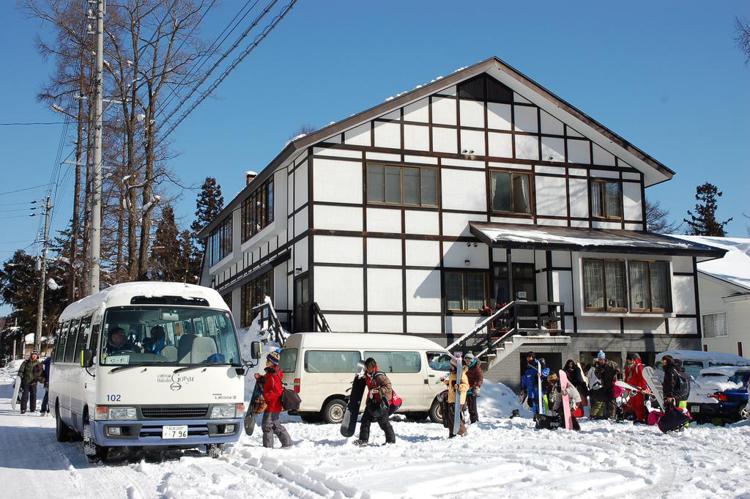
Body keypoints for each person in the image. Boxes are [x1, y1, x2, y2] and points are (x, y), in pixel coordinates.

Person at [355, 357, 396, 445]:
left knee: (384, 423)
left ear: (373, 367)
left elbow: (388, 387)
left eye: (368, 367)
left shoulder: (379, 375)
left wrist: (379, 390)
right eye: (366, 367)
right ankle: (363, 440)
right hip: (372, 401)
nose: (366, 369)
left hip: (381, 402)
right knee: (365, 420)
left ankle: (391, 441)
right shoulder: (367, 374)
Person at [258, 351, 292, 448]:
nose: (266, 362)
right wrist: (260, 378)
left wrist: (266, 396)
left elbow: (277, 391)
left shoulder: (273, 375)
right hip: (273, 405)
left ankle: (268, 447)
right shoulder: (271, 373)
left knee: (267, 425)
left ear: (272, 362)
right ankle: (287, 443)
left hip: (272, 405)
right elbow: (267, 382)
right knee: (275, 424)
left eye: (268, 360)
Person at [443, 354, 469, 438]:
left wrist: (460, 387)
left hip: (458, 400)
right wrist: (445, 382)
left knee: (454, 417)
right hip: (452, 399)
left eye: (452, 365)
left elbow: (466, 386)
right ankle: (452, 433)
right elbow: (452, 385)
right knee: (451, 417)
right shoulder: (453, 374)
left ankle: (463, 431)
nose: (451, 367)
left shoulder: (462, 375)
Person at [588, 351, 618, 420]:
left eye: (601, 359)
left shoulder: (611, 364)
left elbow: (618, 370)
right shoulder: (599, 367)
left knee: (612, 401)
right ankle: (606, 415)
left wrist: (615, 375)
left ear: (604, 359)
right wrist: (600, 372)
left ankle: (612, 416)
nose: (600, 361)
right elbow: (597, 375)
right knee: (605, 400)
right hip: (604, 385)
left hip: (612, 385)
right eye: (599, 359)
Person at [624, 353, 648, 423]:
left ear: (633, 360)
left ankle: (641, 418)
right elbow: (627, 378)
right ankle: (637, 417)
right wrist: (626, 387)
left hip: (638, 389)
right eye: (628, 360)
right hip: (631, 389)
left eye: (630, 360)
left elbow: (643, 378)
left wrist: (643, 388)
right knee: (633, 404)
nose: (628, 362)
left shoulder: (639, 366)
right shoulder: (629, 367)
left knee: (639, 404)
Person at [464, 352, 483, 424]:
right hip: (464, 388)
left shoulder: (476, 368)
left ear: (472, 360)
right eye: (466, 360)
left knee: (472, 407)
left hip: (472, 389)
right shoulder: (464, 367)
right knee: (462, 407)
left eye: (469, 361)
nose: (467, 362)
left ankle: (474, 421)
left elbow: (480, 378)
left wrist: (476, 386)